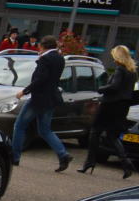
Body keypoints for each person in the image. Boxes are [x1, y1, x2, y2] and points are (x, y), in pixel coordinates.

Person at [11, 35, 72, 171]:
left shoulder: (45, 59)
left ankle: (14, 157)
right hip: (51, 98)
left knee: (20, 126)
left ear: (43, 46)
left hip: (38, 99)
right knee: (45, 130)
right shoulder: (59, 58)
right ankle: (63, 154)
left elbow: (40, 79)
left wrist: (25, 91)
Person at [81, 44, 137, 178]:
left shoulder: (120, 70)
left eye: (113, 56)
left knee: (95, 132)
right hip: (122, 107)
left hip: (110, 106)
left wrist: (101, 88)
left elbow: (114, 86)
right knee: (112, 135)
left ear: (117, 56)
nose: (113, 59)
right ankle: (126, 162)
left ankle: (90, 161)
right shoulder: (132, 71)